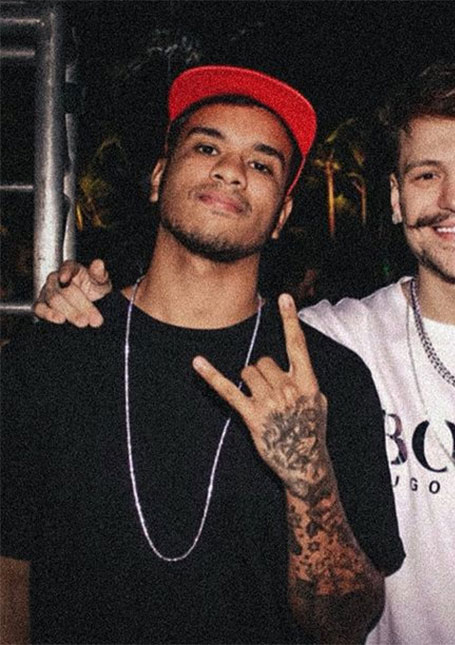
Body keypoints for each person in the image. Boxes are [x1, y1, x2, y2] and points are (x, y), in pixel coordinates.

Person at [31, 62, 455, 644]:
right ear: (396, 198)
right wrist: (88, 300)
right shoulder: (330, 342)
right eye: (427, 175)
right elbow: (197, 324)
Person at [1, 65, 405, 645]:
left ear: (281, 217)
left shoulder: (328, 379)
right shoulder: (53, 353)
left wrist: (309, 477)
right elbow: (9, 572)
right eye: (207, 147)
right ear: (158, 177)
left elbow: (347, 624)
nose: (231, 170)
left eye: (261, 164)